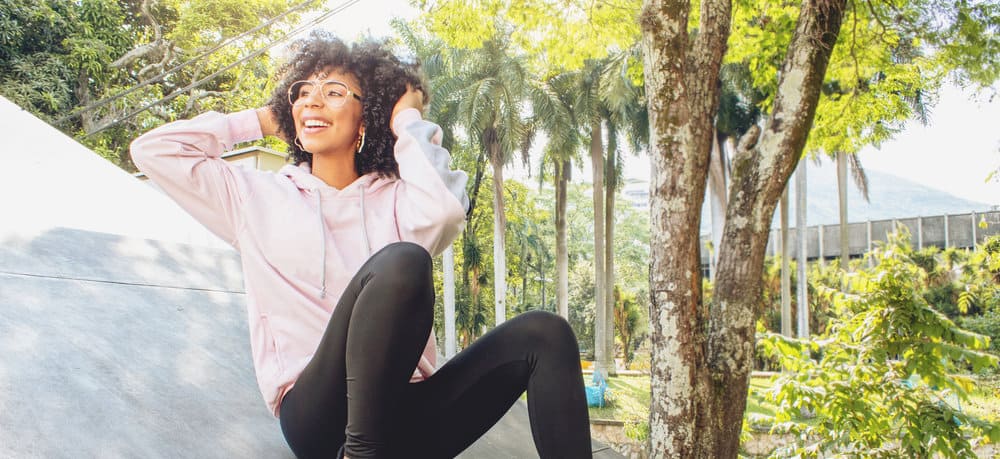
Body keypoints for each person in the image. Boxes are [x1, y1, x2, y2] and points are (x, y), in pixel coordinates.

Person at [130, 31, 591, 459]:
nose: (312, 100)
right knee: (402, 262)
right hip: (320, 417)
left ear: (365, 119)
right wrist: (264, 118)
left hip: (408, 415)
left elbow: (448, 210)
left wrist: (406, 118)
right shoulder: (254, 196)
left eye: (334, 92)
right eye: (302, 91)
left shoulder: (397, 199)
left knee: (545, 333)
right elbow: (153, 152)